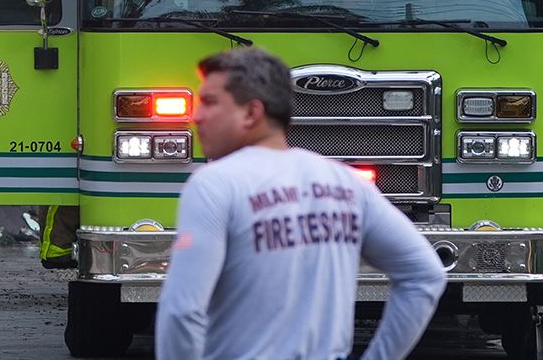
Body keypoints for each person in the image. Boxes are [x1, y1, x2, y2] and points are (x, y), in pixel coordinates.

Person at [156, 46, 445, 360]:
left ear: (252, 113)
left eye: (210, 102)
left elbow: (182, 311)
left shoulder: (213, 183)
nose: (197, 116)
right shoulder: (346, 183)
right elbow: (425, 274)